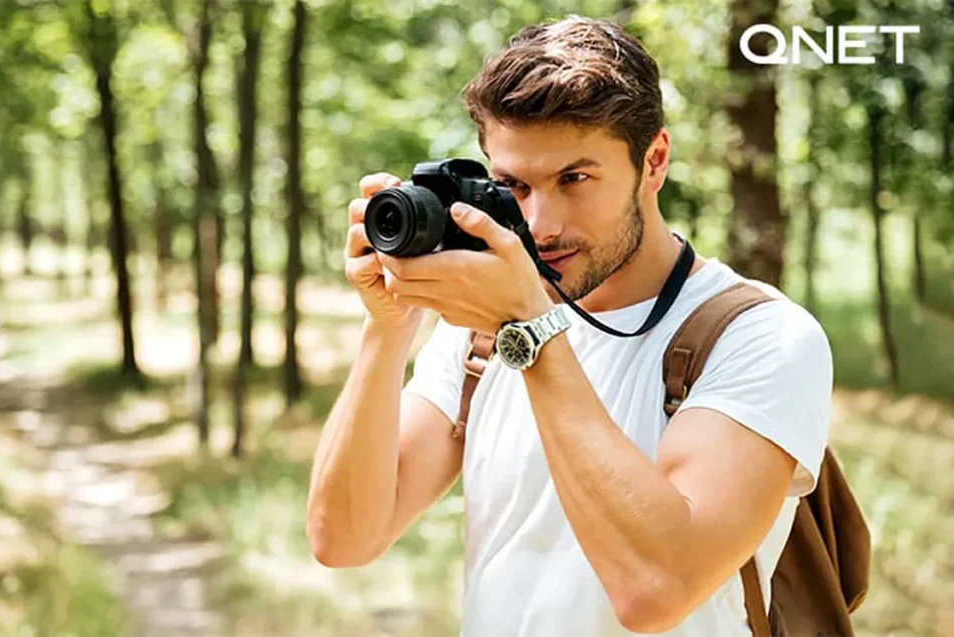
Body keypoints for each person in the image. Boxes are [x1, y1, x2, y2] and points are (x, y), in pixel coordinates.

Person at [305, 15, 833, 637]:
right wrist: (389, 325)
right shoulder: (480, 336)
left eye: (574, 179)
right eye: (513, 184)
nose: (542, 222)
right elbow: (343, 538)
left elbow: (655, 592)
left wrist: (532, 329)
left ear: (654, 161)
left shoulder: (760, 338)